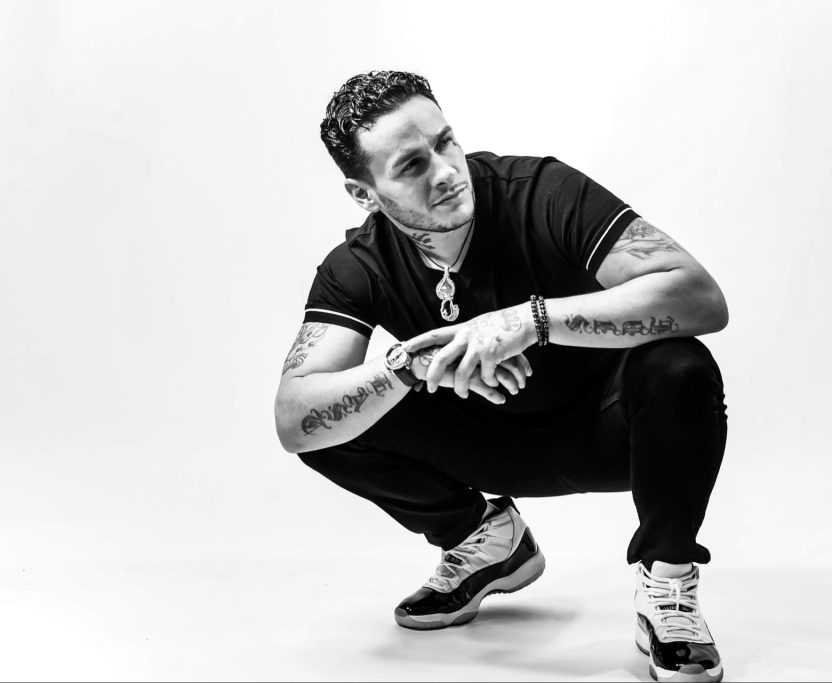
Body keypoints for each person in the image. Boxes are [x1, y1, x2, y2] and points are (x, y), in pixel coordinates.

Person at [274, 70, 729, 683]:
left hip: (611, 433)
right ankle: (485, 540)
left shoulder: (540, 192)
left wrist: (528, 321)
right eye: (411, 165)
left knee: (679, 365)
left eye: (445, 142)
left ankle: (667, 585)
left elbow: (700, 297)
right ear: (364, 193)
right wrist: (410, 366)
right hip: (488, 446)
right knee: (336, 416)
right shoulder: (359, 265)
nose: (445, 171)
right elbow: (294, 418)